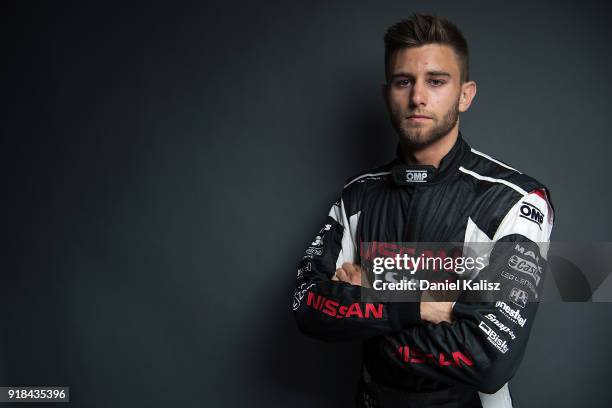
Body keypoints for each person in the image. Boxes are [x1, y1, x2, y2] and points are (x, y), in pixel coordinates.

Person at [291, 13, 554, 408]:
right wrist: (426, 305)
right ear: (387, 94)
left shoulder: (515, 201)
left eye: (436, 81)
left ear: (465, 94)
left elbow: (489, 360)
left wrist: (372, 293)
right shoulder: (357, 196)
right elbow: (307, 306)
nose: (417, 96)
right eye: (403, 82)